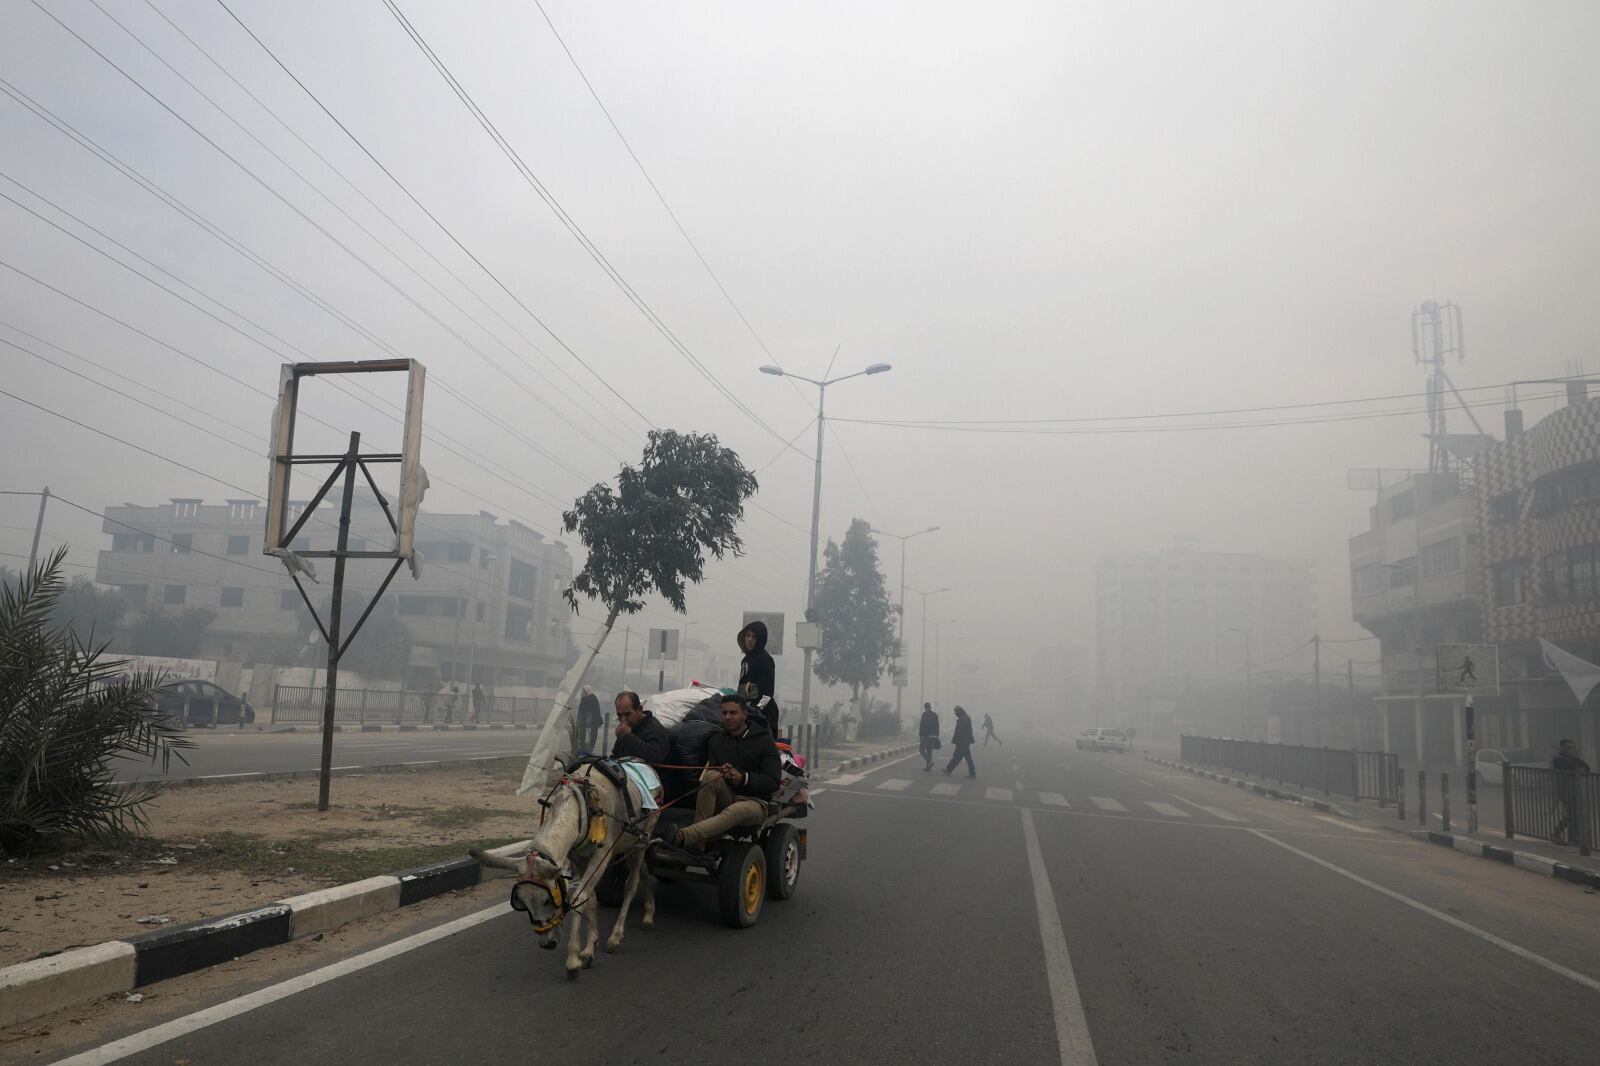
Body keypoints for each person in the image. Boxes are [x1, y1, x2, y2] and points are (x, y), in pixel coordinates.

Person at [669, 694, 780, 848]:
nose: (727, 717)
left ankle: (685, 836)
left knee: (736, 811)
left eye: (733, 713)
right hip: (729, 795)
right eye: (724, 713)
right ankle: (700, 845)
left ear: (745, 714)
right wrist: (724, 774)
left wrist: (743, 778)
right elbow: (715, 773)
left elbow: (773, 781)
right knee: (710, 776)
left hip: (755, 802)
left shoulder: (764, 740)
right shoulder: (716, 741)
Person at [737, 620, 777, 734]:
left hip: (763, 716)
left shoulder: (765, 660)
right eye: (748, 635)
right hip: (746, 713)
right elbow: (743, 688)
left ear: (760, 640)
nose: (749, 639)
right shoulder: (746, 660)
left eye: (754, 637)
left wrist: (756, 711)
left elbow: (767, 694)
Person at [612, 690, 671, 764]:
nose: (623, 720)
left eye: (627, 714)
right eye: (619, 715)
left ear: (640, 709)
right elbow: (616, 756)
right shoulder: (627, 729)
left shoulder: (656, 729)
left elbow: (655, 757)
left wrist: (628, 737)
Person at [1552, 739, 1591, 845]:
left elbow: (1587, 769)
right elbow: (1572, 767)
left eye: (1573, 747)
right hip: (1565, 791)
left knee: (1574, 814)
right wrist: (1576, 761)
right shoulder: (1558, 759)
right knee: (1572, 814)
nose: (1572, 750)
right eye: (1569, 748)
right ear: (1562, 748)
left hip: (1575, 791)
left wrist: (1578, 759)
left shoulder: (1574, 759)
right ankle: (1560, 834)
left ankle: (1573, 838)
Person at [943, 705, 976, 778]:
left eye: (956, 712)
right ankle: (949, 770)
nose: (955, 713)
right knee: (959, 757)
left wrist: (956, 740)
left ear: (959, 711)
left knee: (961, 757)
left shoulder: (963, 718)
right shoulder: (965, 717)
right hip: (964, 741)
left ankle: (972, 773)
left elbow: (960, 731)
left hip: (963, 742)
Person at [576, 686, 603, 751]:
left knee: (593, 733)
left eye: (584, 691)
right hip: (585, 719)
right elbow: (581, 709)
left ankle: (591, 747)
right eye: (583, 691)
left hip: (593, 719)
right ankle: (582, 746)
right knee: (582, 731)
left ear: (587, 691)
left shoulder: (592, 697)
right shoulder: (584, 698)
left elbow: (593, 709)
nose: (583, 692)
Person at [918, 702, 941, 771]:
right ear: (930, 707)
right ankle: (928, 766)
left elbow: (922, 725)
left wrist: (921, 735)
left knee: (921, 749)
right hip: (934, 736)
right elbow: (937, 726)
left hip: (926, 736)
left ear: (925, 707)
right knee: (929, 751)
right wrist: (937, 735)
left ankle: (929, 762)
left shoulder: (924, 715)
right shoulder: (935, 715)